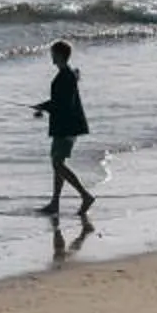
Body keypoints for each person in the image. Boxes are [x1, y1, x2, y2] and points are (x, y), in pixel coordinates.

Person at [30, 40, 93, 218]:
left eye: (53, 54)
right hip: (66, 125)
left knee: (58, 164)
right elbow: (61, 103)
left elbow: (62, 104)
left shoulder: (65, 76)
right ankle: (55, 203)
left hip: (67, 126)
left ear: (58, 55)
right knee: (57, 164)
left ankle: (85, 195)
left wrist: (43, 107)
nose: (51, 57)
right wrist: (44, 107)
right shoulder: (67, 74)